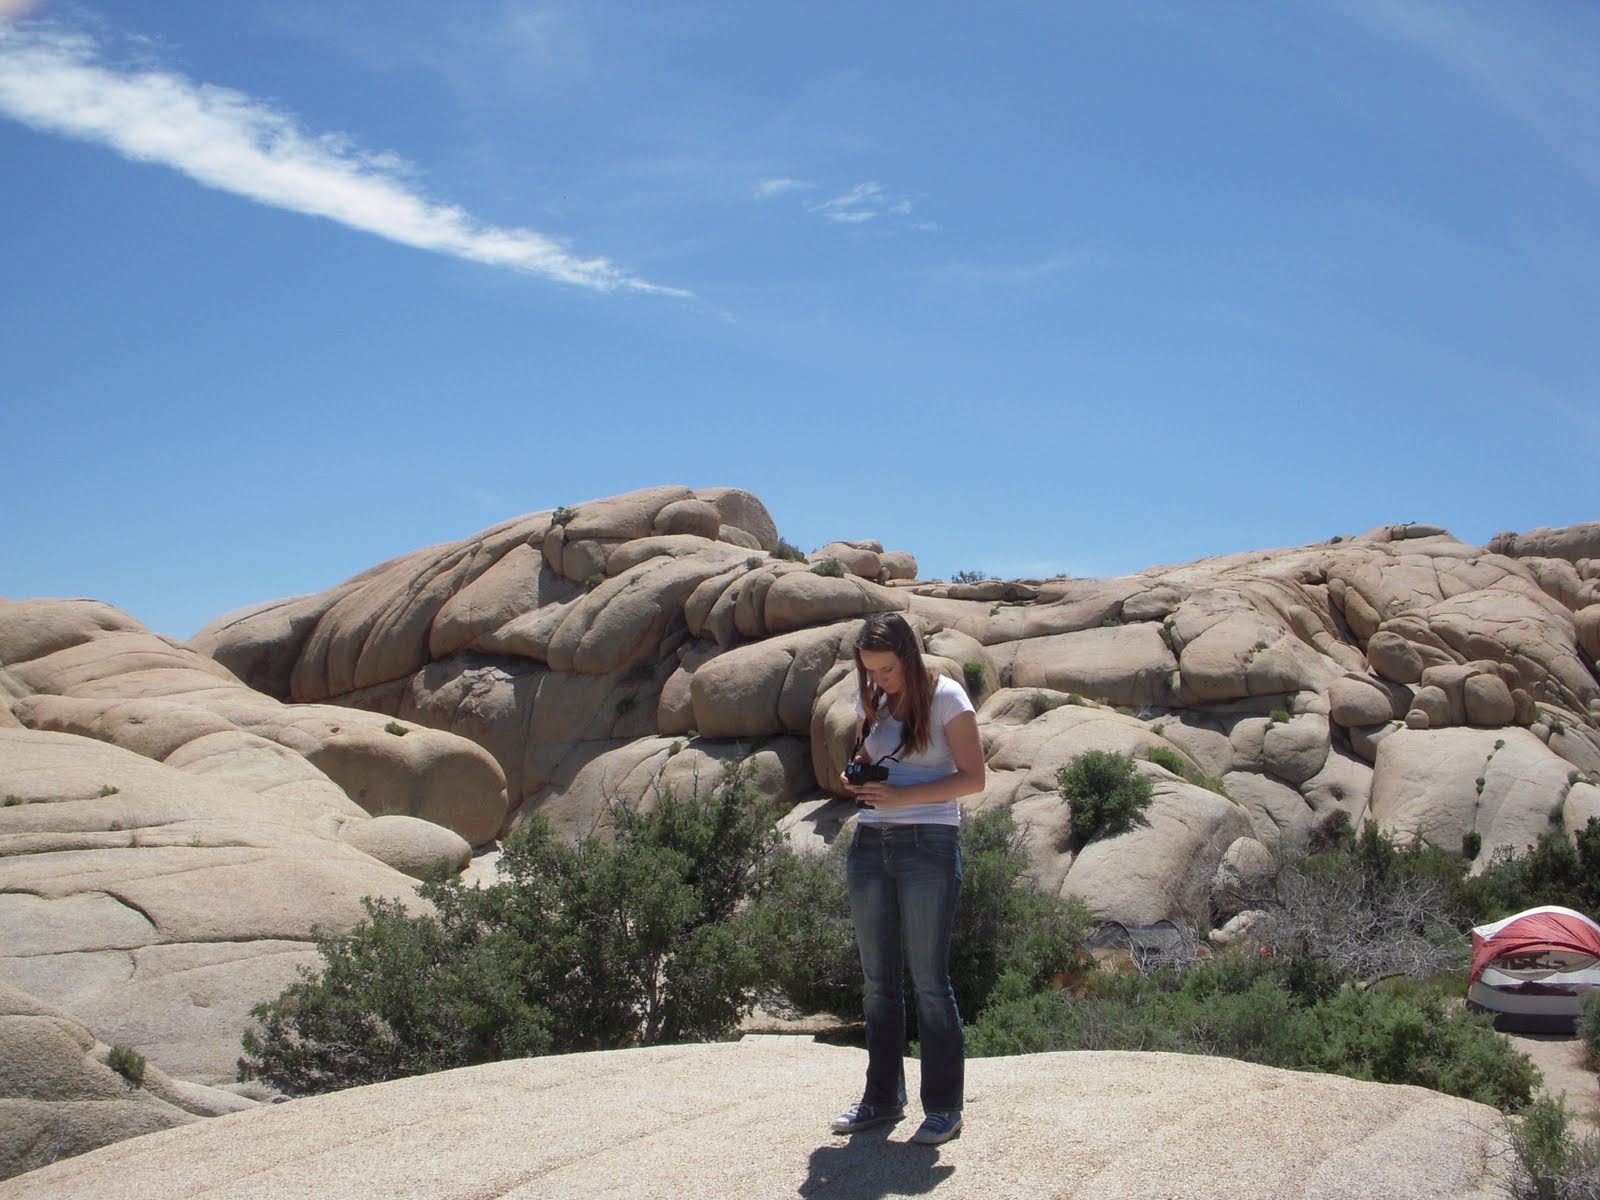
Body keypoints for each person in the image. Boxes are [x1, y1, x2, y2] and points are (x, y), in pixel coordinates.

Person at [830, 612, 985, 1146]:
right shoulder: (872, 699)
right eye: (870, 670)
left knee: (929, 982)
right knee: (878, 983)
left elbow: (974, 778)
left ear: (909, 657)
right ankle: (881, 1098)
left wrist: (903, 796)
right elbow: (866, 756)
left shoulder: (947, 698)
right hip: (871, 842)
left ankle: (943, 1108)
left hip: (929, 843)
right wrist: (854, 775)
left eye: (888, 668)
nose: (879, 678)